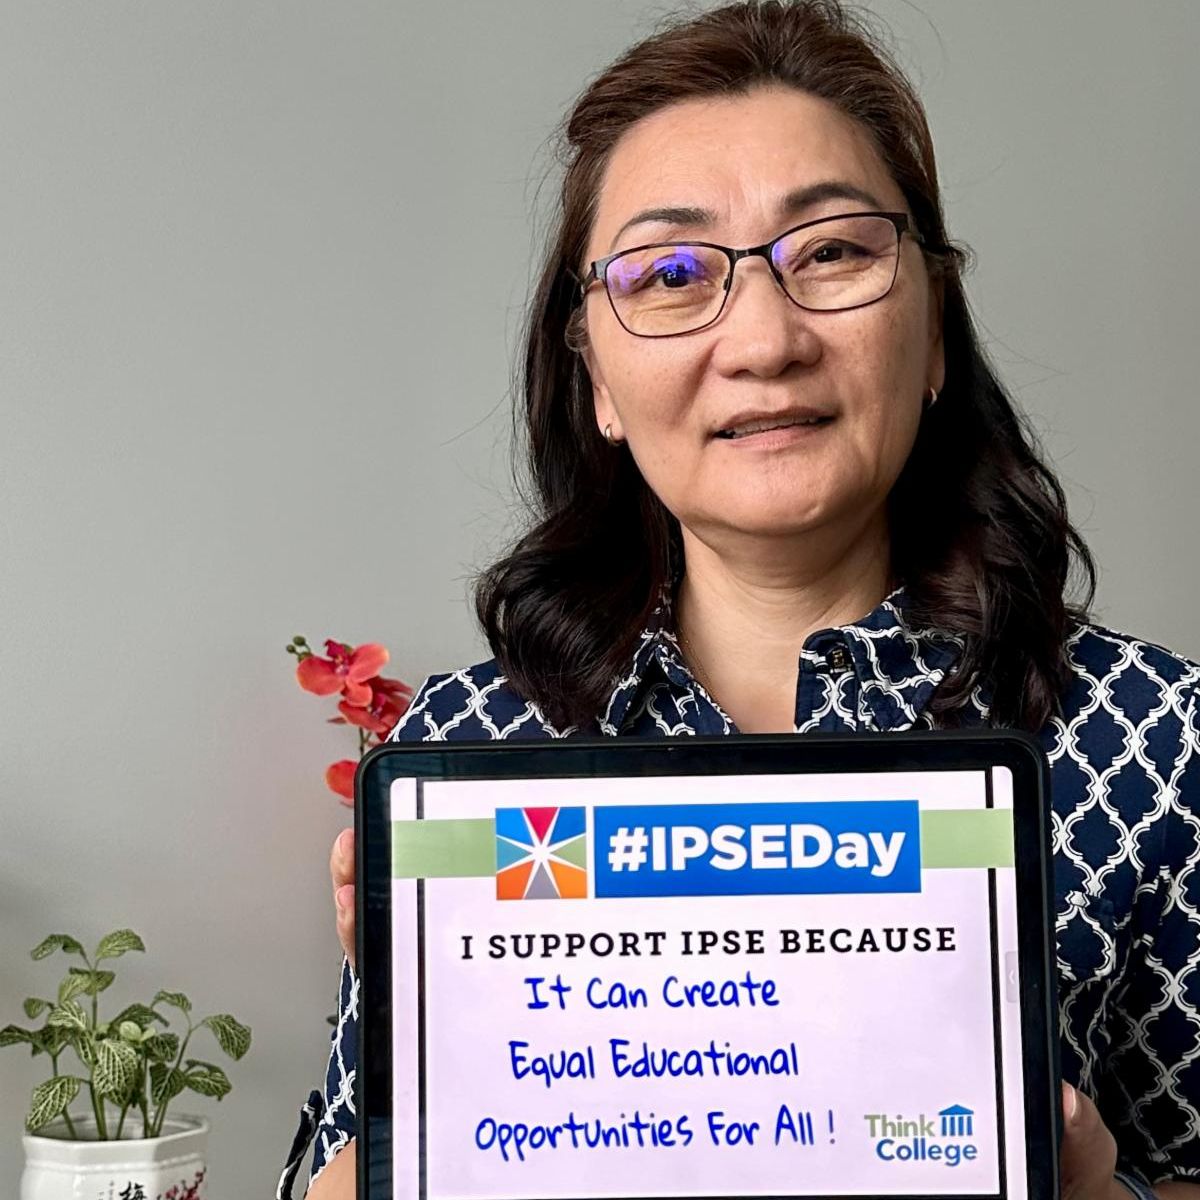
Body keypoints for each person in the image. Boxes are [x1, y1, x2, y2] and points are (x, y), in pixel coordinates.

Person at [278, 3, 1200, 1197]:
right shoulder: (464, 757)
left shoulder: (1161, 741)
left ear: (932, 337)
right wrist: (435, 1037)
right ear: (598, 378)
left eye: (833, 252)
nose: (764, 340)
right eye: (668, 272)